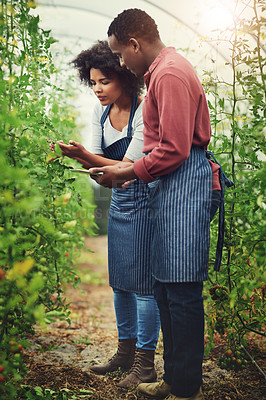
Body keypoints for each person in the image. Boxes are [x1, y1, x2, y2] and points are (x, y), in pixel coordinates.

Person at [89, 9, 223, 400]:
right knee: (165, 286)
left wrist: (126, 173)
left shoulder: (169, 73)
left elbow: (175, 148)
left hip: (185, 183)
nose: (119, 62)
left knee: (181, 288)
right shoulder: (161, 72)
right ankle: (175, 378)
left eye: (119, 54)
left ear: (135, 44)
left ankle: (185, 387)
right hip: (171, 185)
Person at [56, 40, 161, 388]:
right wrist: (79, 155)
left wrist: (86, 156)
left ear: (125, 78)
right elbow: (100, 164)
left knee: (144, 286)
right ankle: (125, 353)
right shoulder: (99, 114)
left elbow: (127, 166)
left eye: (105, 81)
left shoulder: (145, 110)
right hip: (120, 203)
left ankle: (146, 363)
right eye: (93, 82)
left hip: (145, 204)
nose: (98, 89)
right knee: (120, 284)